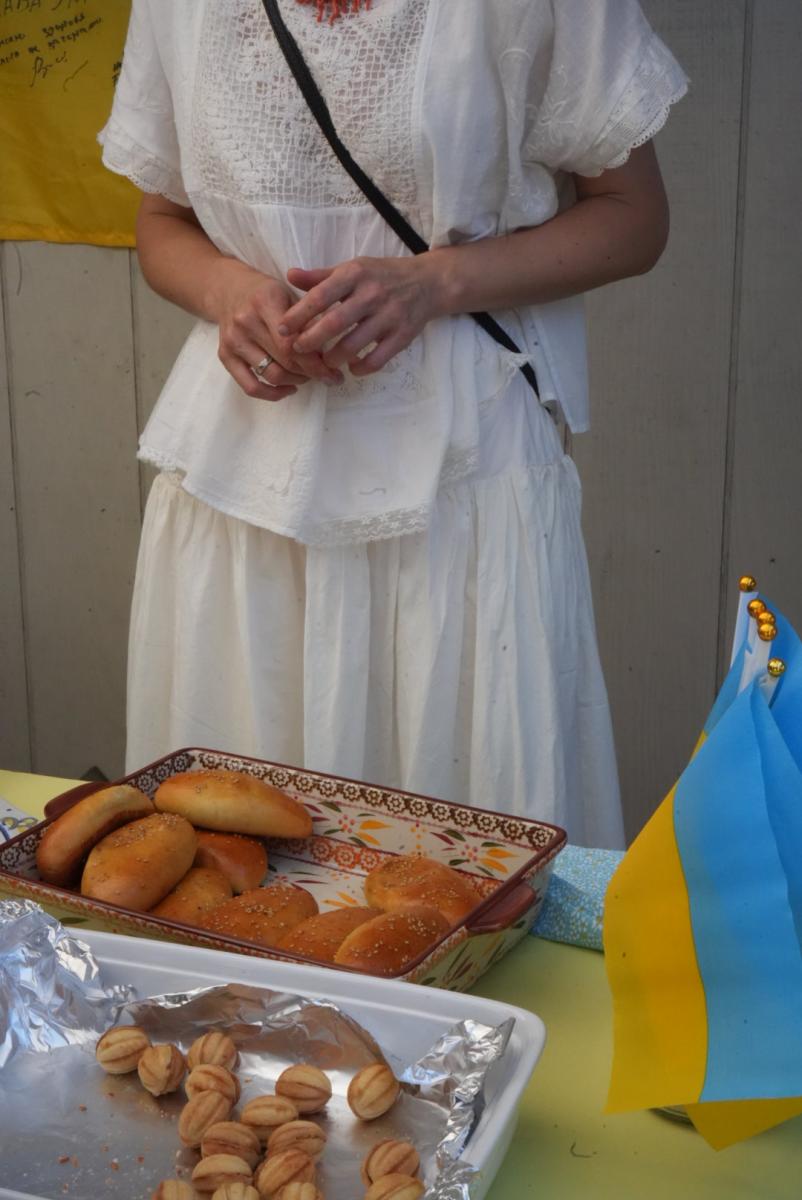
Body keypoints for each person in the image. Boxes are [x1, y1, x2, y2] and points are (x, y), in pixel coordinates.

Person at [101, 0, 687, 850]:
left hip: (460, 484)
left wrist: (433, 284)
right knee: (230, 850)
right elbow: (163, 221)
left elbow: (634, 215)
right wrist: (230, 296)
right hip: (243, 479)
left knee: (467, 841)